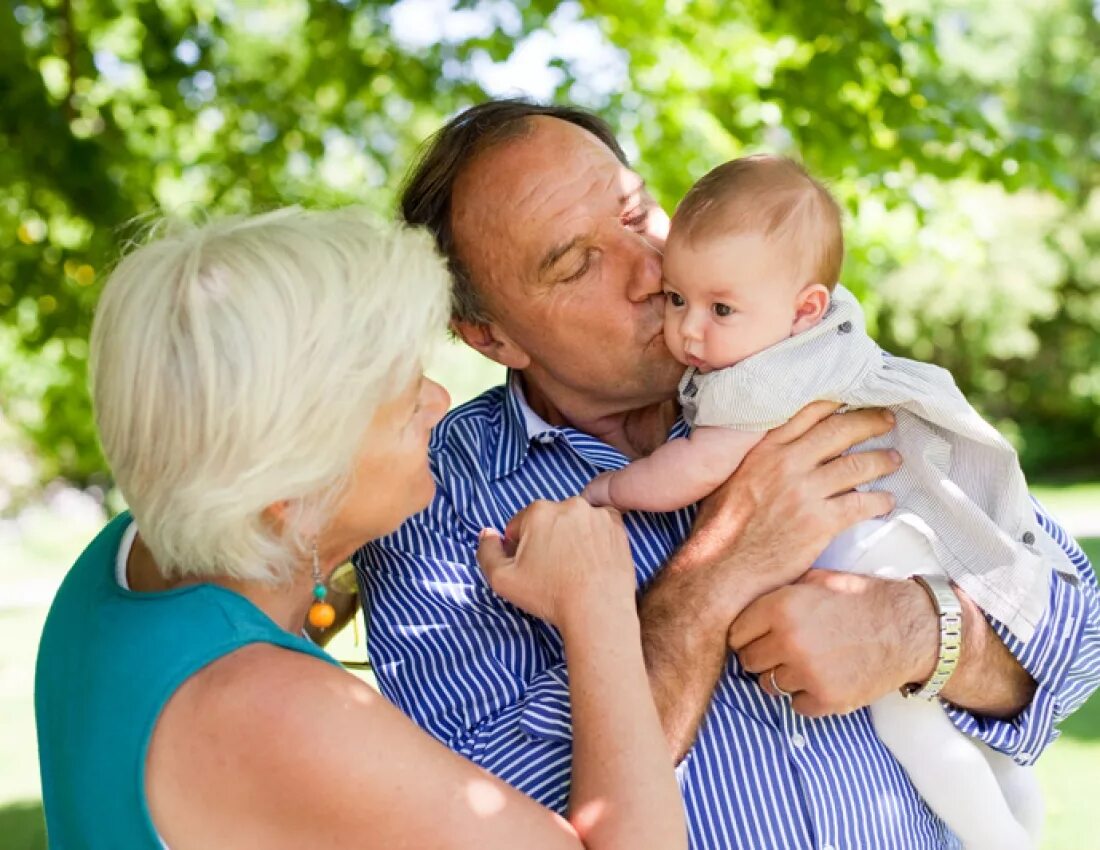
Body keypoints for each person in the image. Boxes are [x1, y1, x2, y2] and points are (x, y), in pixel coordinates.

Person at [357, 100, 1100, 849]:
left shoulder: (809, 367)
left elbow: (1079, 637)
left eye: (636, 213)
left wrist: (916, 631)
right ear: (491, 336)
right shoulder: (428, 501)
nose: (652, 270)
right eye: (579, 263)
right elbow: (508, 818)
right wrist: (716, 575)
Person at [33, 207, 688, 850]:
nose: (439, 401)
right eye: (404, 403)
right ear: (296, 489)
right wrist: (596, 605)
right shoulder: (274, 715)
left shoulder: (125, 556)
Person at [584, 153, 1078, 849]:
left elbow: (693, 468)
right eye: (678, 300)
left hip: (872, 559)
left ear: (805, 307)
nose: (689, 330)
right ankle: (1014, 801)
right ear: (489, 336)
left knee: (911, 731)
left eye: (719, 309)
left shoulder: (755, 381)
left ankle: (1001, 836)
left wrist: (608, 491)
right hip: (896, 540)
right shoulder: (812, 338)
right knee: (939, 732)